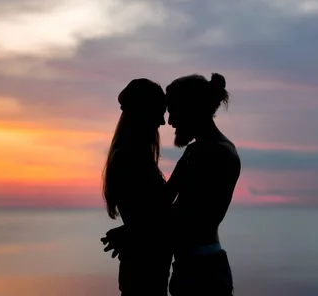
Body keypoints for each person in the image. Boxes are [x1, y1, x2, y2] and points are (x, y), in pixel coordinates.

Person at [103, 73, 241, 296]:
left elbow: (187, 214)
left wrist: (132, 230)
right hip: (189, 268)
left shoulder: (215, 153)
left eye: (174, 110)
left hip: (203, 272)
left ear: (191, 108)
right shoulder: (195, 152)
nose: (169, 122)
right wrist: (133, 229)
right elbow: (166, 202)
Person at [101, 78, 179, 296]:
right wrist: (183, 170)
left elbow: (149, 213)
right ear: (144, 111)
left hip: (145, 266)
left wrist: (129, 230)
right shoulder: (129, 158)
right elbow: (156, 213)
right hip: (143, 270)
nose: (163, 122)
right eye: (159, 112)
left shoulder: (134, 156)